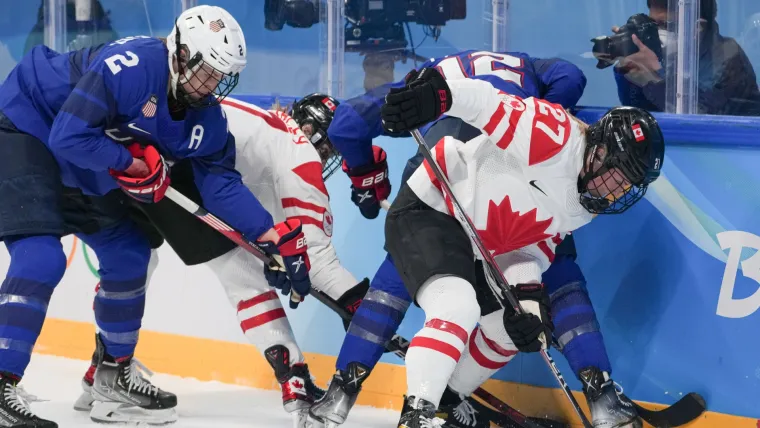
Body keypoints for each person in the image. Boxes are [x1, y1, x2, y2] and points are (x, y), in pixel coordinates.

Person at [0, 5, 314, 427]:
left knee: (131, 255)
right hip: (28, 125)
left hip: (83, 157)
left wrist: (270, 232)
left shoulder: (207, 117)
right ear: (180, 53)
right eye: (206, 71)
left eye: (221, 77)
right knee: (41, 258)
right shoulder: (129, 68)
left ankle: (111, 376)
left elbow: (220, 184)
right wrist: (128, 163)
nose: (211, 86)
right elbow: (68, 135)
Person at [311, 51, 647, 428]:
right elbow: (504, 96)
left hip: (496, 211)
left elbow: (535, 244)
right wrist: (440, 97)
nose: (615, 191)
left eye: (625, 185)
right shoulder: (549, 127)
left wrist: (529, 303)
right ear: (597, 150)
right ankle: (412, 411)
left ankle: (435, 399)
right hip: (445, 189)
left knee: (510, 324)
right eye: (615, 177)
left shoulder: (588, 202)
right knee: (455, 302)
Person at [72, 94, 366, 427]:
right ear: (309, 129)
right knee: (242, 273)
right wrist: (367, 310)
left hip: (119, 152)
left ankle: (102, 371)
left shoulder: (264, 133)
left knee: (132, 262)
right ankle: (294, 384)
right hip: (170, 167)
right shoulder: (298, 153)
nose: (326, 155)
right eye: (327, 145)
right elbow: (320, 261)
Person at [613, 0, 760, 116]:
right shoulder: (669, 53)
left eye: (664, 25)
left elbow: (701, 117)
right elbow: (643, 111)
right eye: (652, 24)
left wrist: (655, 74)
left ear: (697, 28)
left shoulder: (728, 56)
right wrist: (628, 71)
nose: (656, 32)